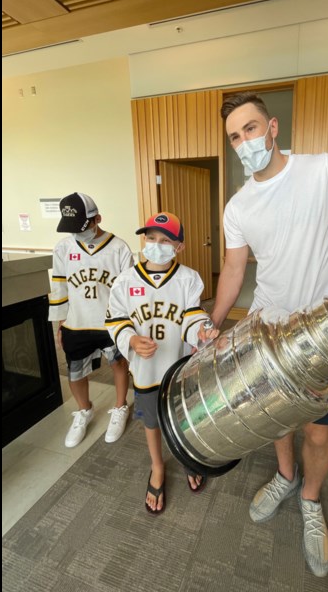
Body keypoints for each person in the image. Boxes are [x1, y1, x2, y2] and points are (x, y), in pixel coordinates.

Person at [210, 92, 328, 577]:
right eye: (235, 136)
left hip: (325, 330)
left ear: (272, 127)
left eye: (250, 129)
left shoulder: (320, 169)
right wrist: (214, 323)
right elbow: (234, 269)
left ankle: (311, 501)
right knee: (277, 419)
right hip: (267, 329)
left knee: (319, 428)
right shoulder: (238, 206)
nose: (244, 141)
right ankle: (286, 477)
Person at [105, 212, 218, 515]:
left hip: (178, 366)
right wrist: (129, 339)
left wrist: (202, 331)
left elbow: (192, 316)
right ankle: (157, 466)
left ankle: (186, 458)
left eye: (165, 240)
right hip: (145, 371)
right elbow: (115, 319)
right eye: (151, 238)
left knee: (183, 418)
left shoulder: (188, 278)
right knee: (152, 422)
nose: (156, 245)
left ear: (178, 247)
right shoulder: (125, 280)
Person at [49, 192, 134, 448]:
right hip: (77, 322)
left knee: (119, 365)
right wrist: (61, 322)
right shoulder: (63, 248)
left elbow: (128, 290)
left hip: (110, 323)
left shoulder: (119, 247)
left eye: (82, 227)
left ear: (97, 218)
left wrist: (128, 325)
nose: (78, 233)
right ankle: (84, 410)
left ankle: (120, 407)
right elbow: (59, 287)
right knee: (75, 371)